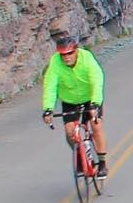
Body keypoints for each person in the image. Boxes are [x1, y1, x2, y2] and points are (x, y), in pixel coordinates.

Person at [41, 30, 108, 175]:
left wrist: (95, 104)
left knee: (96, 125)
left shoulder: (87, 58)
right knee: (70, 132)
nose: (66, 57)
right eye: (63, 54)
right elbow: (50, 85)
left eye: (70, 53)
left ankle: (102, 162)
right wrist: (48, 109)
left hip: (90, 98)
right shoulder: (55, 62)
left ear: (76, 51)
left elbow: (97, 79)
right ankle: (80, 157)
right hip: (70, 100)